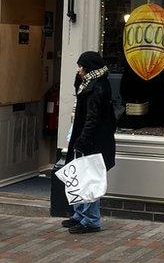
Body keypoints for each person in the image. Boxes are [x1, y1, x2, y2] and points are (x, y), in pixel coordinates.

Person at [62, 51, 117, 234]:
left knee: (90, 179)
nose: (78, 70)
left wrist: (83, 141)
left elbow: (92, 119)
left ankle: (91, 220)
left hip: (93, 141)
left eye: (80, 66)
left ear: (88, 68)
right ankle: (79, 215)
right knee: (79, 176)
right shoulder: (89, 84)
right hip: (86, 138)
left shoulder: (97, 88)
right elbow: (79, 90)